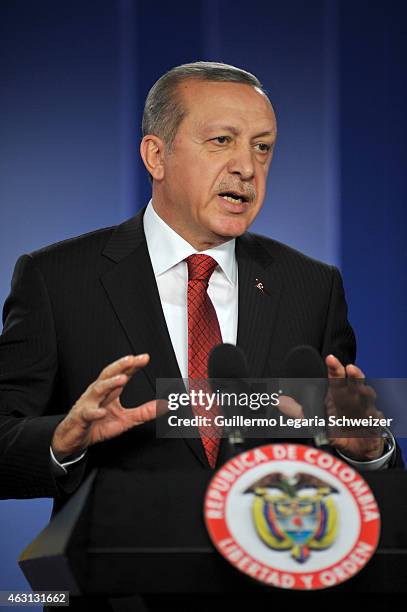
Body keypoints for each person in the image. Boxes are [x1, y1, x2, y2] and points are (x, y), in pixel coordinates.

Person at [0, 61, 403, 608]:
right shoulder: (57, 279)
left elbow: (339, 471)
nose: (247, 168)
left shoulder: (311, 285)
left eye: (263, 148)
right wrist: (62, 440)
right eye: (222, 141)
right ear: (156, 155)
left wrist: (367, 450)